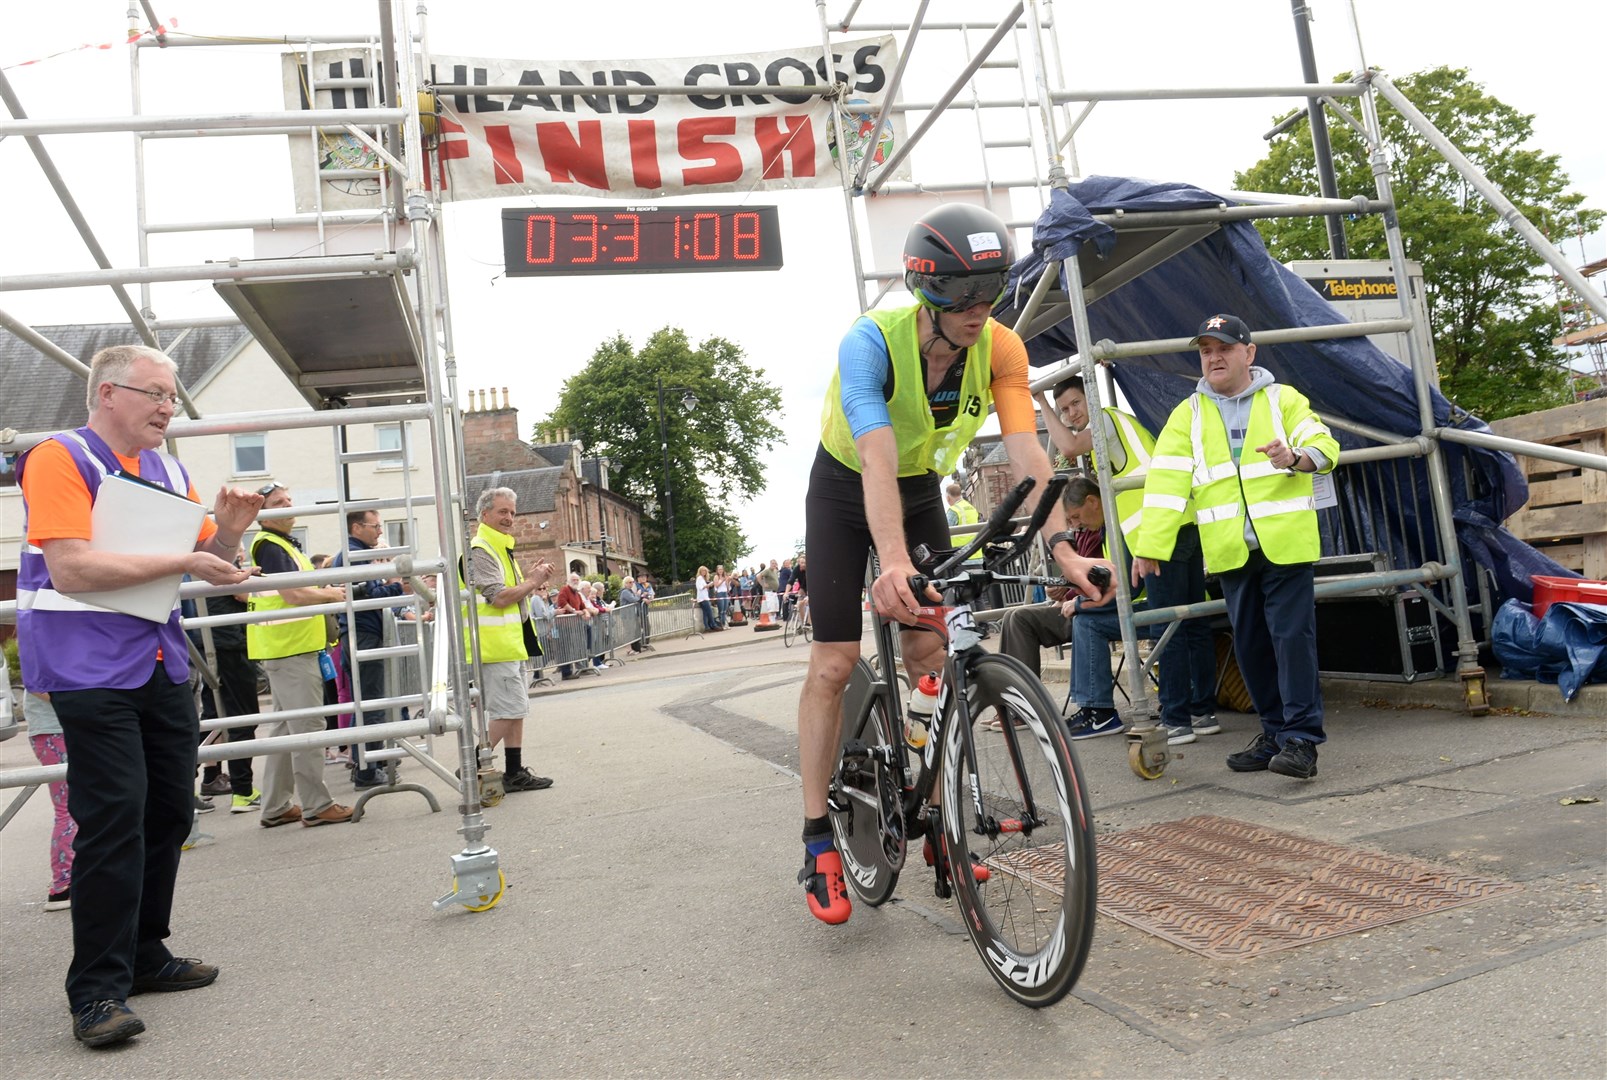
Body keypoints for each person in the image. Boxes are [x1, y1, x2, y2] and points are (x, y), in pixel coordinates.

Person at [796, 202, 1114, 925]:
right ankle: (817, 836)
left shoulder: (1000, 348)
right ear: (925, 292)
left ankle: (933, 818)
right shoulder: (870, 343)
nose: (977, 311)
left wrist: (1064, 552)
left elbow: (1029, 453)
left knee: (933, 647)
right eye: (960, 297)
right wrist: (894, 562)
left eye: (990, 292)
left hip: (915, 491)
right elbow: (875, 453)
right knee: (834, 663)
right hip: (846, 486)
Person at [15, 343, 262, 1047]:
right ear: (105, 394)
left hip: (157, 661)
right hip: (86, 666)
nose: (167, 408)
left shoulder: (168, 466)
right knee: (116, 818)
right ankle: (95, 991)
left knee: (167, 813)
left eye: (172, 397)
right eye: (155, 394)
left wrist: (232, 526)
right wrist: (188, 555)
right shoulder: (61, 457)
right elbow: (71, 568)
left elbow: (212, 557)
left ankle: (145, 953)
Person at [1131, 313, 1339, 778]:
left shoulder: (1283, 399)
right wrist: (1150, 546)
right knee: (1251, 647)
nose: (1213, 357)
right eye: (1205, 350)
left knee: (1292, 642)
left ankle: (1302, 740)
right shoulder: (1188, 414)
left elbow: (1322, 440)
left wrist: (1297, 457)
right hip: (1231, 552)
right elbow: (1166, 484)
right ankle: (1274, 733)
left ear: (1249, 353)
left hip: (1285, 546)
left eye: (1223, 348)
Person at [1041, 374, 1220, 744]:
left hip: (1157, 534)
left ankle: (1176, 719)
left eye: (1075, 404)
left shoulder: (1105, 420)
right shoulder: (1122, 428)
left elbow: (1069, 447)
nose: (1072, 414)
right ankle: (1203, 711)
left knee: (1165, 623)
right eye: (1064, 409)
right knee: (1192, 621)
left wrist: (1040, 402)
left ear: (1090, 397)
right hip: (1180, 521)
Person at [248, 486, 355, 829]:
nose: (287, 506)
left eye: (289, 501)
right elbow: (293, 595)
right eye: (278, 503)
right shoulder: (271, 544)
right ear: (262, 512)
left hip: (285, 646)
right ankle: (316, 804)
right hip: (290, 647)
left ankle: (276, 806)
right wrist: (328, 595)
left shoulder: (280, 545)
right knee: (309, 728)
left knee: (283, 731)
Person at [463, 486, 556, 791]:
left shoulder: (500, 547)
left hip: (508, 645)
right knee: (509, 710)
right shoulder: (480, 549)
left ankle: (514, 772)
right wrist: (533, 580)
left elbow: (511, 594)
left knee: (515, 710)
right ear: (484, 514)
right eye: (503, 511)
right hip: (494, 648)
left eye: (513, 513)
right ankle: (472, 764)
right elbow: (499, 598)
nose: (509, 518)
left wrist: (529, 578)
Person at [995, 476, 1106, 678]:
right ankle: (1009, 699)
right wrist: (1062, 587)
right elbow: (1080, 570)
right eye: (1070, 520)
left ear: (1093, 502)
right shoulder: (1085, 530)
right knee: (1011, 616)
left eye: (1076, 516)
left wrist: (1066, 592)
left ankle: (1023, 699)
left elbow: (1093, 574)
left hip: (1090, 608)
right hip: (1079, 604)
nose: (1074, 524)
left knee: (1020, 619)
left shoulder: (1101, 531)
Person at [333, 509, 405, 789]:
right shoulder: (355, 554)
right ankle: (366, 770)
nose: (379, 531)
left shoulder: (354, 553)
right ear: (357, 526)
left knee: (365, 702)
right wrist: (396, 585)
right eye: (375, 526)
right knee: (371, 703)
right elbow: (370, 597)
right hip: (363, 633)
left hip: (358, 631)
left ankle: (364, 764)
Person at [193, 565, 262, 813]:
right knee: (242, 717)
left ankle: (191, 785)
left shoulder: (198, 561)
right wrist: (247, 578)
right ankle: (243, 791)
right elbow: (242, 593)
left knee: (212, 718)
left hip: (207, 640)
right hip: (228, 640)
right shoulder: (217, 559)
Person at [23, 688, 75, 911]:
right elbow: (37, 686)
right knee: (68, 807)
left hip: (58, 727)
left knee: (74, 805)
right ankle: (63, 883)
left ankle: (70, 878)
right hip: (53, 729)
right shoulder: (36, 652)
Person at [694, 565, 721, 632]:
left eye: (705, 571)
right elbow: (701, 587)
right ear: (700, 571)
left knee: (705, 613)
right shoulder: (700, 578)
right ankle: (714, 625)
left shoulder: (701, 578)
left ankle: (707, 627)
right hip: (703, 598)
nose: (704, 572)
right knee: (709, 612)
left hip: (703, 598)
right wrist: (709, 585)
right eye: (703, 571)